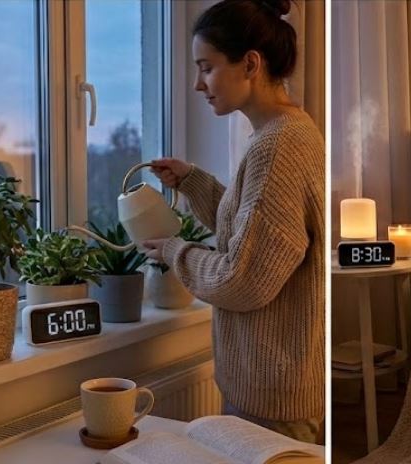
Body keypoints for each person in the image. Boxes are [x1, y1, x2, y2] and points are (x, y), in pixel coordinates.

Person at [140, 0, 325, 444]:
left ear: (251, 64)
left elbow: (243, 280)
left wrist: (174, 251)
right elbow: (257, 230)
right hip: (267, 386)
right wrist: (192, 180)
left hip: (272, 399)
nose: (197, 84)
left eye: (207, 67)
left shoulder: (277, 146)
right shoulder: (284, 132)